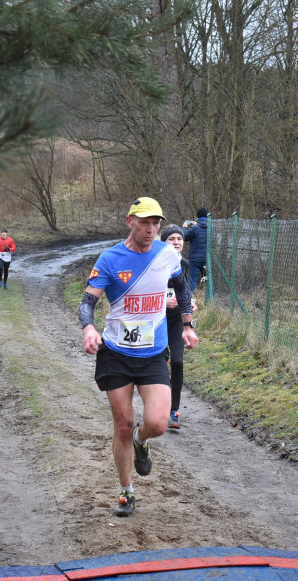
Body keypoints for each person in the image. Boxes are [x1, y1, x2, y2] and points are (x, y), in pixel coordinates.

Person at [79, 197, 198, 517]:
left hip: (153, 352)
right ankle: (126, 491)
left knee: (157, 423)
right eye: (145, 222)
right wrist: (89, 328)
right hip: (116, 353)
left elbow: (182, 289)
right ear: (129, 221)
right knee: (123, 424)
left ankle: (141, 442)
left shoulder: (167, 255)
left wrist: (187, 326)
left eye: (156, 223)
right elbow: (87, 302)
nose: (151, 229)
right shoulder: (110, 259)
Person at [160, 225, 199, 429]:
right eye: (171, 239)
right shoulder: (154, 263)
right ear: (163, 242)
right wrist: (162, 302)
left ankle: (173, 411)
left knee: (177, 360)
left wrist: (191, 303)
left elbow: (186, 291)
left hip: (176, 320)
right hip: (154, 320)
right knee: (158, 363)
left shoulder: (184, 264)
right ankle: (157, 407)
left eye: (179, 239)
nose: (176, 242)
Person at [182, 208, 209, 293]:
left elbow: (185, 237)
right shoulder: (212, 227)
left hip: (195, 259)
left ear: (197, 217)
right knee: (208, 280)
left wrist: (184, 228)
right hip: (207, 258)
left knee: (192, 280)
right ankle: (210, 298)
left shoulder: (194, 228)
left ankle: (192, 298)